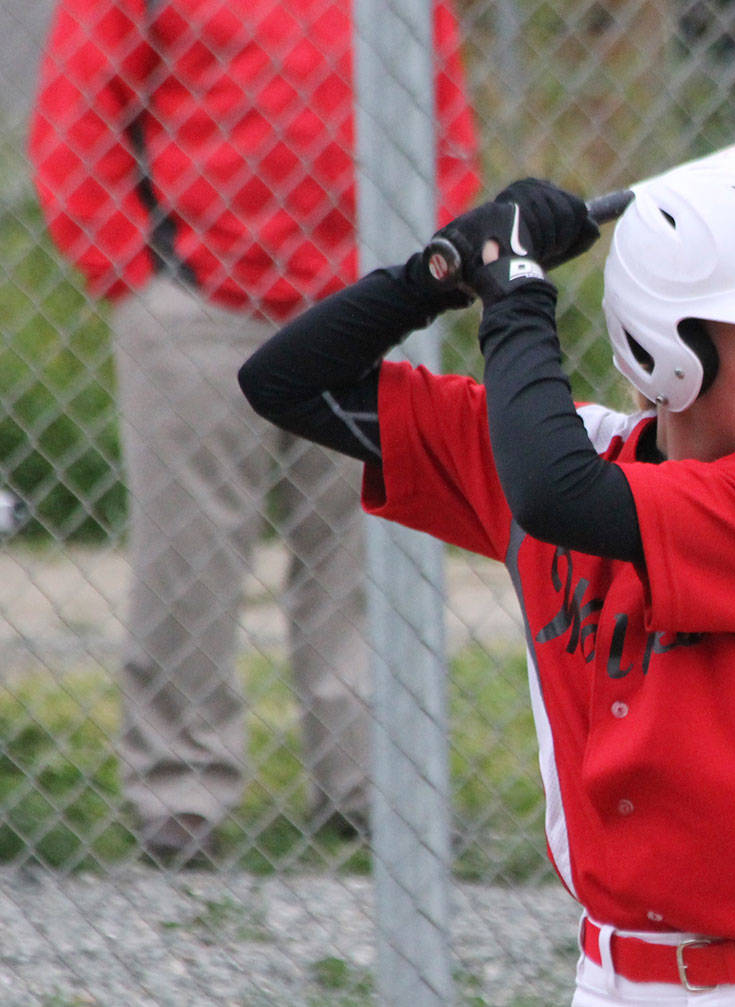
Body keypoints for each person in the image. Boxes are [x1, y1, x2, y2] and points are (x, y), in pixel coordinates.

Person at [240, 159, 735, 1004]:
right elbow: (282, 382)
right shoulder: (565, 453)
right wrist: (438, 275)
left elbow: (556, 494)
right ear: (669, 345)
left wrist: (516, 295)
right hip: (619, 979)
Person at [27, 0, 481, 866]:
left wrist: (420, 273)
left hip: (359, 309)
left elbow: (444, 125)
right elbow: (78, 110)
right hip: (198, 304)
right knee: (189, 558)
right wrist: (131, 268)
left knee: (367, 550)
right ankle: (179, 791)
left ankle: (373, 784)